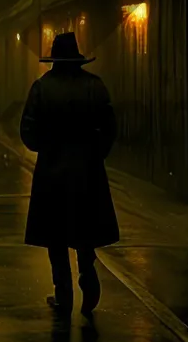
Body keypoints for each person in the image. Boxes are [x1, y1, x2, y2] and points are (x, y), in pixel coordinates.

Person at [19, 31, 119, 319]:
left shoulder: (41, 88)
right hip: (88, 170)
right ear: (77, 59)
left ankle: (63, 292)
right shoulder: (94, 86)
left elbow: (28, 131)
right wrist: (96, 152)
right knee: (85, 228)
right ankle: (88, 275)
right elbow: (109, 126)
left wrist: (46, 147)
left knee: (56, 234)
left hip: (52, 170)